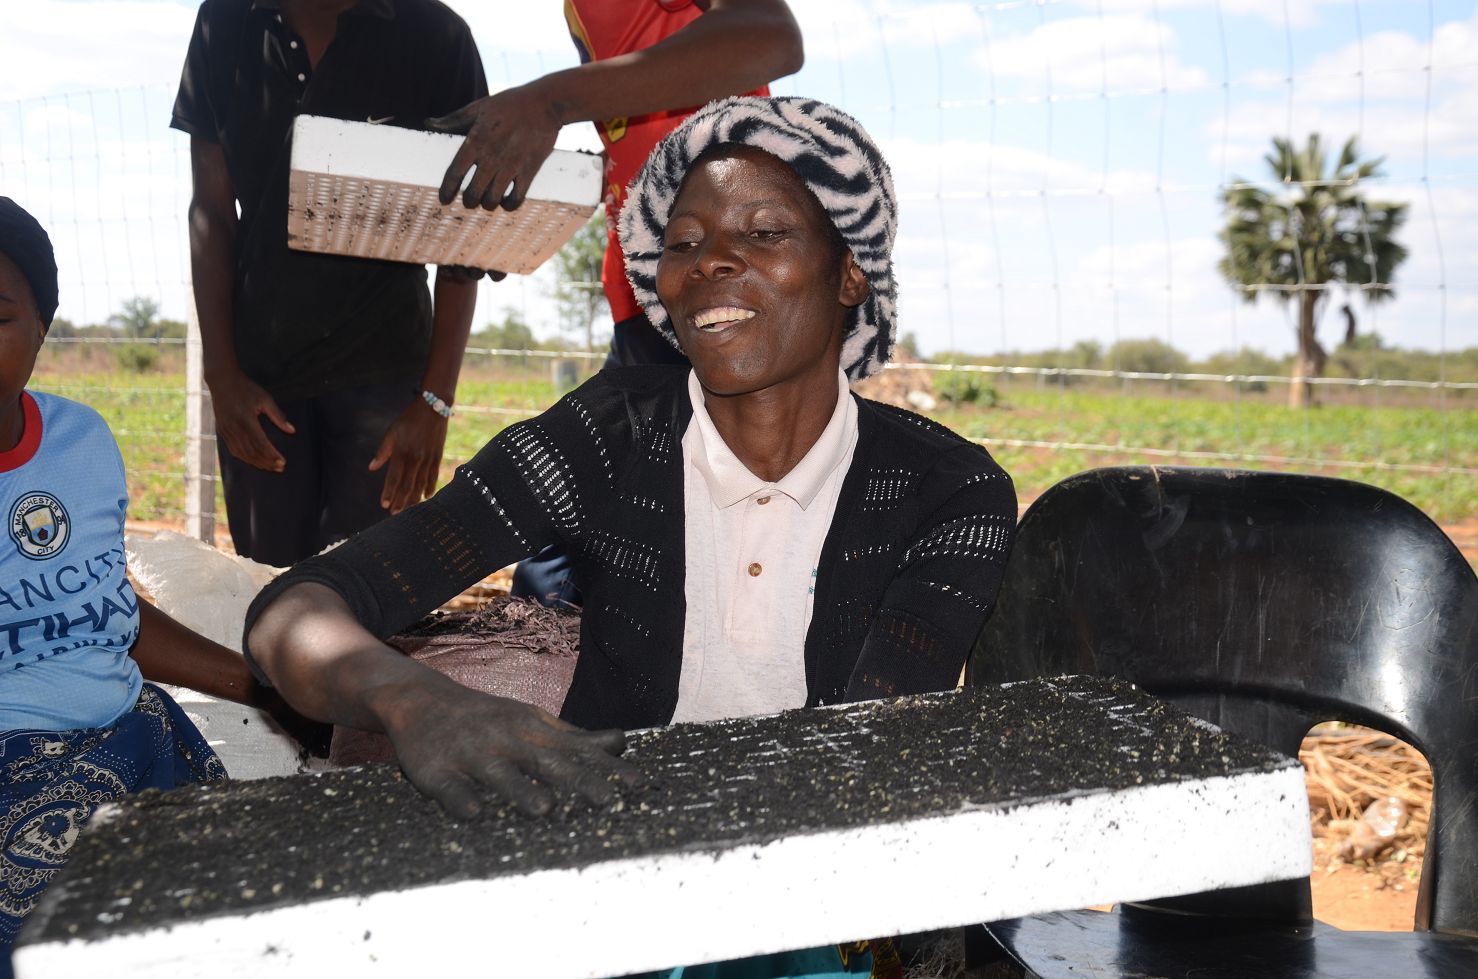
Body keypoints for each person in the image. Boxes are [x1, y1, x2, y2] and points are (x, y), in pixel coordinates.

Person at [244, 96, 1015, 976]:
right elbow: (291, 612)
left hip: (816, 892)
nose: (710, 260)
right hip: (605, 884)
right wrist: (415, 700)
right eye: (682, 243)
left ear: (850, 274)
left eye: (765, 232)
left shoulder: (948, 491)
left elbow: (863, 756)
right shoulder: (607, 437)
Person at [0, 199, 304, 963]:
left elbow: (106, 613)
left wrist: (267, 690)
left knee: (247, 902)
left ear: (41, 328)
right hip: (13, 771)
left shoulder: (81, 442)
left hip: (134, 733)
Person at [425, 0, 804, 607]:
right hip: (646, 293)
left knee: (683, 546)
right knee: (572, 535)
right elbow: (635, 131)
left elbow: (771, 37)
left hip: (727, 288)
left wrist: (549, 102)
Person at [170, 0, 487, 567]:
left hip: (385, 384)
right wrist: (222, 374)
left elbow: (461, 232)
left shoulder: (437, 36)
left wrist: (434, 401)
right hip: (260, 384)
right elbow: (211, 212)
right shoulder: (226, 21)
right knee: (269, 591)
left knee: (366, 593)